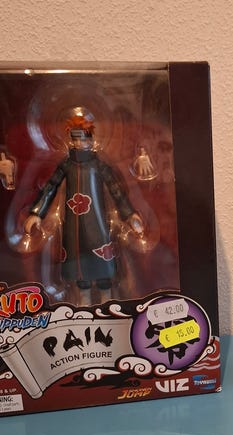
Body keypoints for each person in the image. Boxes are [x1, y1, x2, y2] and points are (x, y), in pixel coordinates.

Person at [24, 112, 144, 304]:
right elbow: (50, 187)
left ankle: (107, 301)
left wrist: (130, 215)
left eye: (84, 138)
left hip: (97, 223)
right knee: (79, 265)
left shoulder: (99, 166)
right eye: (76, 139)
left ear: (91, 139)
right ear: (71, 140)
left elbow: (116, 190)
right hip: (73, 226)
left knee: (102, 262)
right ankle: (83, 303)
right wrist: (37, 213)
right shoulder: (66, 166)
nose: (80, 143)